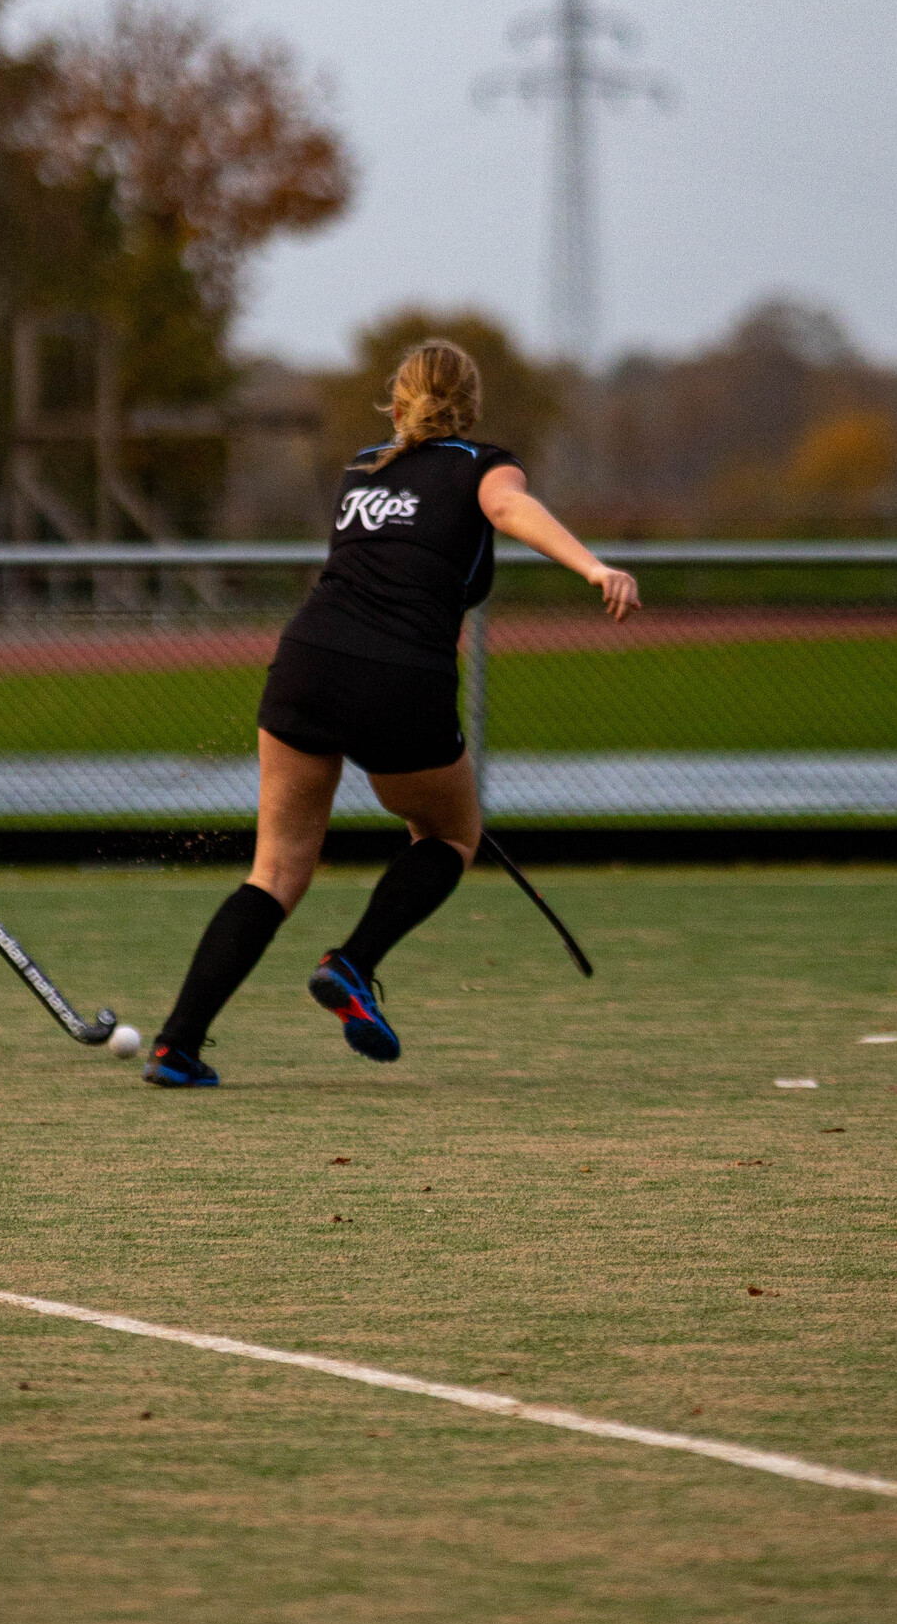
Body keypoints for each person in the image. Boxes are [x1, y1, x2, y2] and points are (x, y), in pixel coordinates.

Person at [144, 337, 638, 1087]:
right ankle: (352, 964)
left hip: (306, 660)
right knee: (448, 835)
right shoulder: (484, 465)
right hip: (402, 677)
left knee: (275, 869)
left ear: (398, 400)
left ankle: (176, 1046)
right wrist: (594, 566)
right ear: (469, 406)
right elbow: (508, 508)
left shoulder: (362, 467)